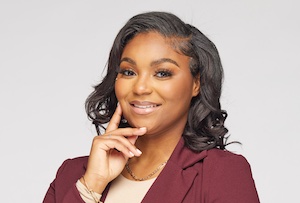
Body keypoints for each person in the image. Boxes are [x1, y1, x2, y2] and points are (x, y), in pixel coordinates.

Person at [43, 11, 260, 203]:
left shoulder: (221, 173)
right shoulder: (71, 176)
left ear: (196, 84)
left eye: (162, 73)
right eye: (128, 72)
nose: (141, 87)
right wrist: (91, 187)